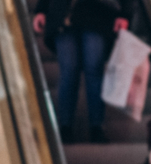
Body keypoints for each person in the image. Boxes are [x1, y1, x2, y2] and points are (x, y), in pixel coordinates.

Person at [33, 1, 128, 144]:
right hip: (63, 15)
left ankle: (96, 127)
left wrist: (125, 13)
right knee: (69, 71)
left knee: (93, 69)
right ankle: (66, 127)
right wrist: (41, 10)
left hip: (98, 13)